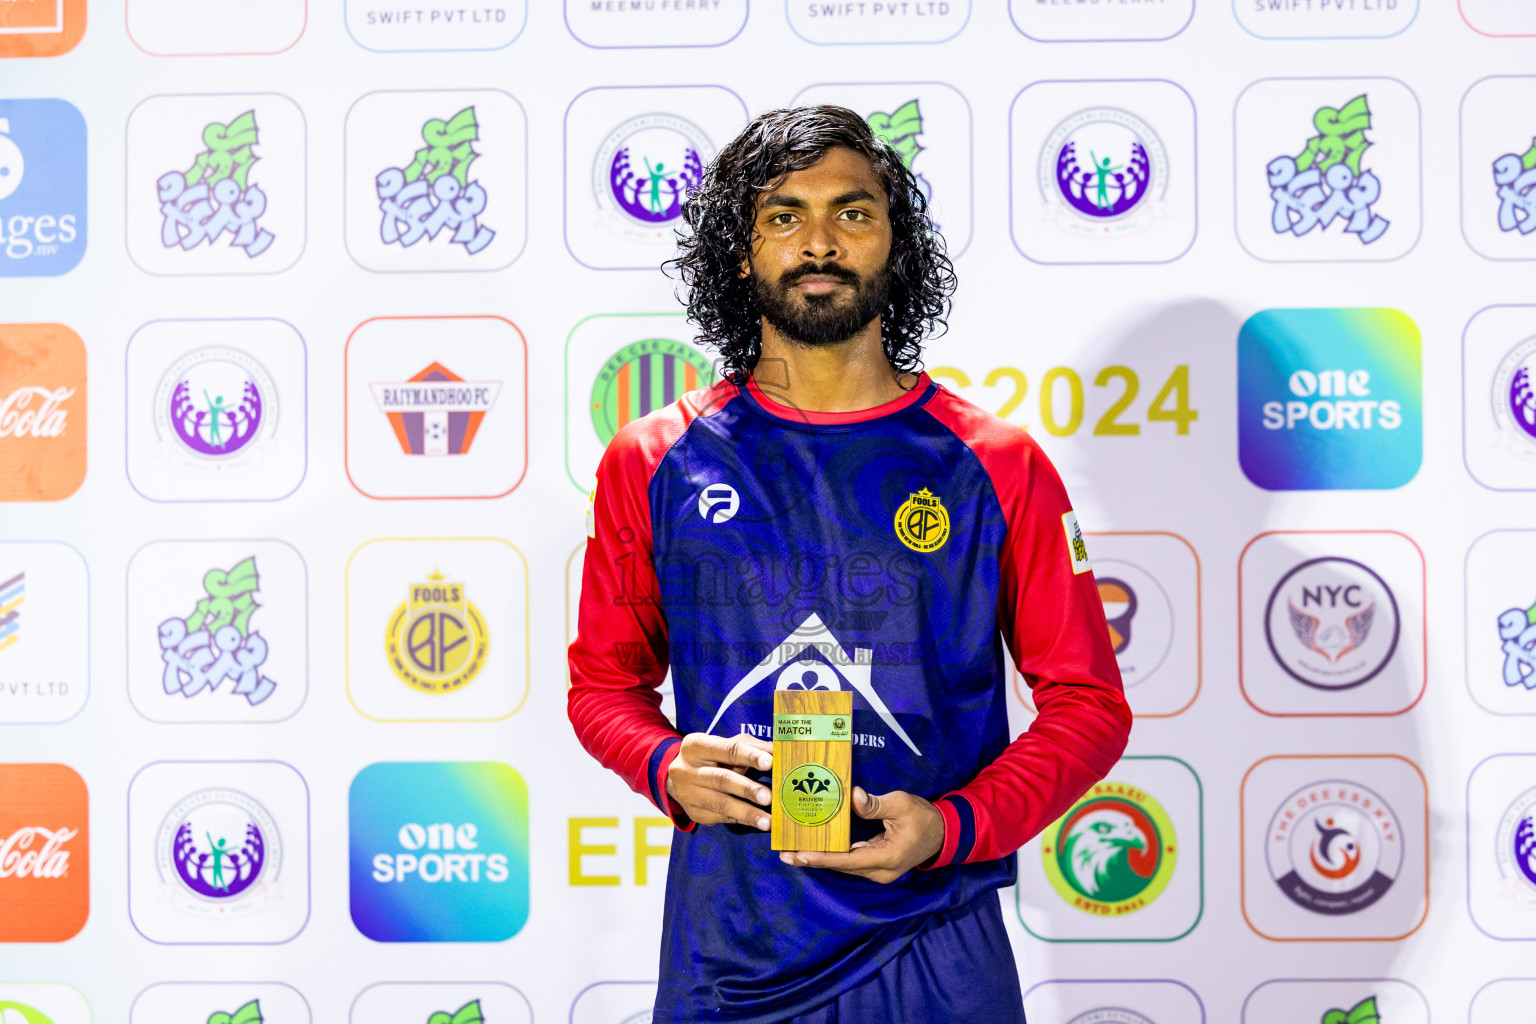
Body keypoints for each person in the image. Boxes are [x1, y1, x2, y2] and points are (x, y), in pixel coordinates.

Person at [568, 105, 1132, 1024]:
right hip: (733, 956)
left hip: (936, 941)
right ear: (740, 255)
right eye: (784, 216)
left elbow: (1089, 706)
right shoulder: (655, 457)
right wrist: (664, 761)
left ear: (896, 247)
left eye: (853, 213)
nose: (819, 242)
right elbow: (602, 688)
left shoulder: (995, 461)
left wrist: (951, 827)